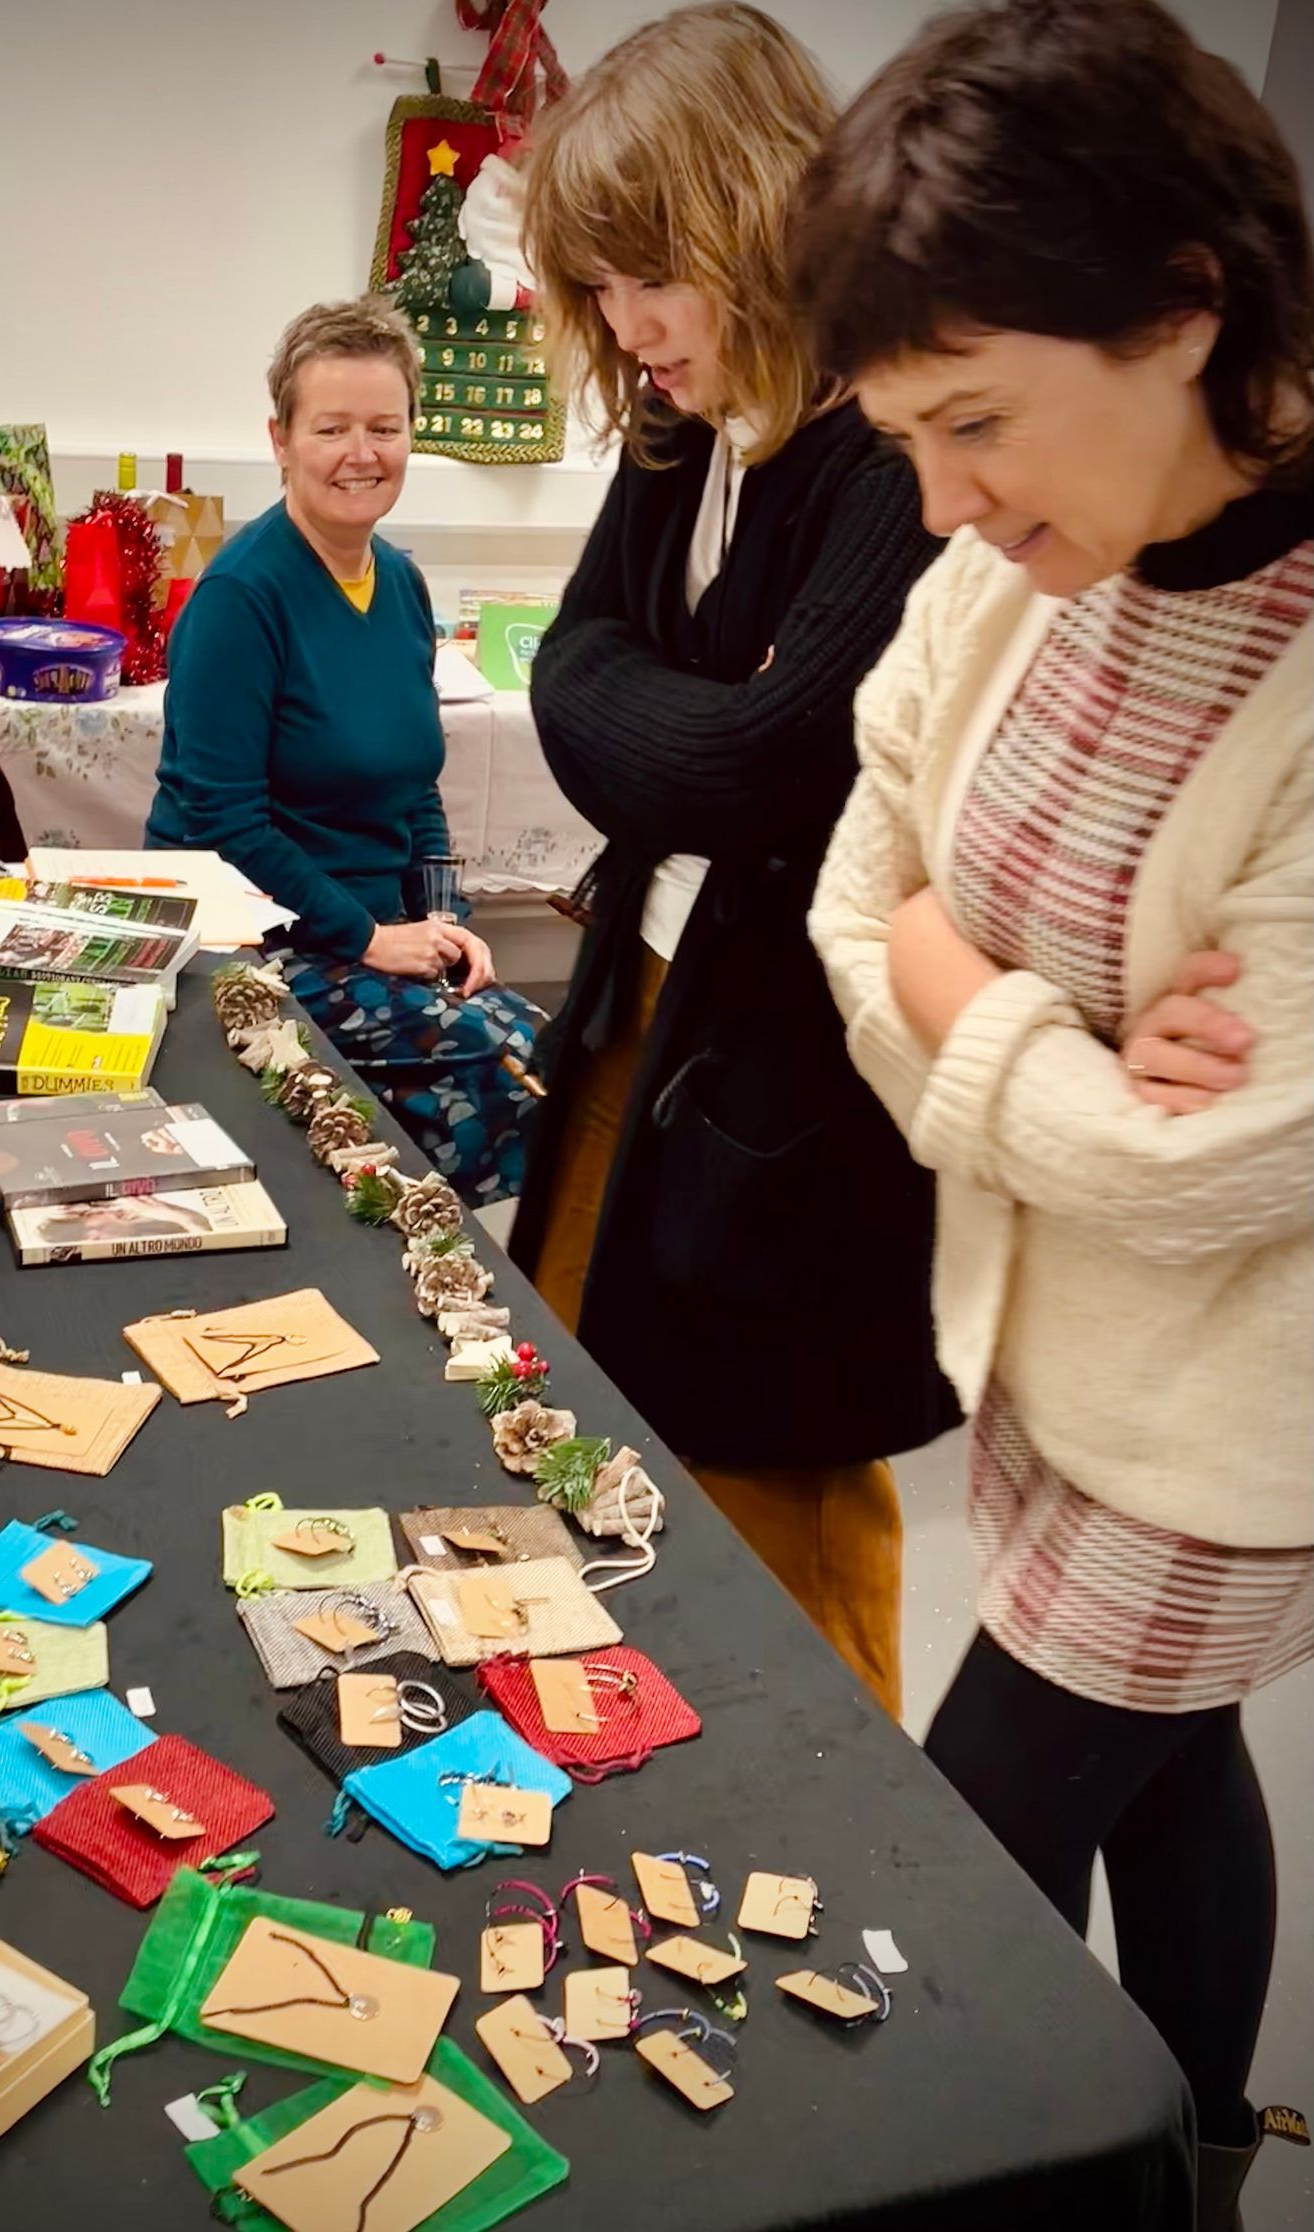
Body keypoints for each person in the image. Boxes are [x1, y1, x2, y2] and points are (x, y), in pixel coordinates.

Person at [793, 2, 1313, 2215]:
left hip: (1223, 1426)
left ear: (1184, 308)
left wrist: (957, 996)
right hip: (1034, 1338)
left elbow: (1221, 1170)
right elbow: (847, 896)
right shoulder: (1013, 576)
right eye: (912, 437)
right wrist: (1041, 1037)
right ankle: (1201, 2141)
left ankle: (1059, 2180)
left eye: (978, 421)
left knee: (965, 1870)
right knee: (1175, 1773)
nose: (945, 505)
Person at [506, 3, 957, 1715]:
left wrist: (665, 713)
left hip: (795, 1085)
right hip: (653, 1005)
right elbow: (568, 674)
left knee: (776, 1514)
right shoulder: (682, 430)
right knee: (591, 1422)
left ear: (749, 217)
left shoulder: (885, 454)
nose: (626, 328)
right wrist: (672, 713)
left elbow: (769, 762)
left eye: (649, 279)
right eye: (600, 290)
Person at [145, 297, 541, 1206]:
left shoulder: (399, 583)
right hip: (252, 943)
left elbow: (415, 787)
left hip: (373, 937)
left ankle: (453, 1278)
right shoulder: (241, 599)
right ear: (280, 439)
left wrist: (442, 921)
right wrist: (370, 937)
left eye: (384, 427)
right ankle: (436, 1279)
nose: (361, 454)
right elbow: (223, 823)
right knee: (497, 1056)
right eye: (331, 428)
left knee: (538, 1053)